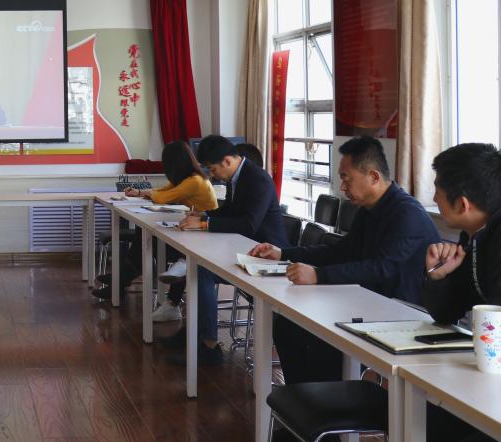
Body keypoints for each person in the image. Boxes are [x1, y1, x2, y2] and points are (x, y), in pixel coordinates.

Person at [248, 135, 440, 383]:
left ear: (373, 176)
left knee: (323, 342)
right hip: (365, 299)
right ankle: (303, 397)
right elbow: (339, 252)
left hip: (399, 312)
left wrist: (318, 275)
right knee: (289, 326)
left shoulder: (407, 214)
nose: (342, 187)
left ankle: (323, 401)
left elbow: (382, 268)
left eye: (346, 178)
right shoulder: (368, 210)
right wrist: (284, 253)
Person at [163, 135, 288, 365]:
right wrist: (204, 215)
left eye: (212, 169)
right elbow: (230, 210)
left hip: (267, 258)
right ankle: (195, 333)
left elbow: (249, 224)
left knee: (203, 271)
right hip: (245, 251)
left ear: (227, 161)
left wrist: (204, 223)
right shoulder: (237, 176)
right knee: (198, 265)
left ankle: (209, 347)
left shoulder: (258, 179)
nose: (212, 175)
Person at [421, 142, 501, 442]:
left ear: (463, 204)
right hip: (488, 375)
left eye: (438, 193)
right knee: (431, 417)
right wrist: (439, 275)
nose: (433, 199)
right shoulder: (477, 235)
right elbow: (446, 313)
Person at [92, 141, 218, 322]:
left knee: (147, 240)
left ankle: (121, 280)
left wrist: (146, 193)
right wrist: (140, 192)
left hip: (202, 238)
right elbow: (162, 190)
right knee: (143, 236)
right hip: (192, 231)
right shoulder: (188, 179)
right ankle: (120, 281)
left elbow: (162, 197)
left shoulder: (194, 181)